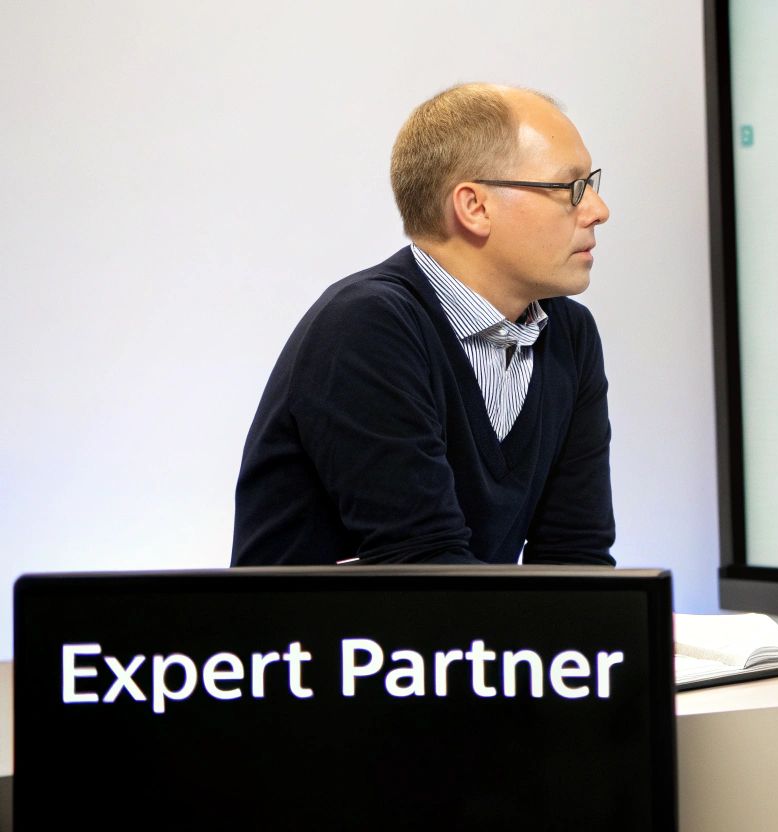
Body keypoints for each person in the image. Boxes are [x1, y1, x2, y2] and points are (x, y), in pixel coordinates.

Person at [232, 83, 616, 566]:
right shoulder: (367, 327)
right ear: (474, 207)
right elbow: (423, 572)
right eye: (571, 189)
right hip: (359, 620)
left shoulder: (569, 335)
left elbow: (576, 562)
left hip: (459, 617)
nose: (598, 211)